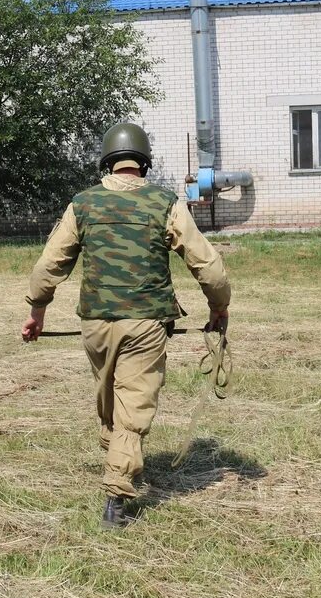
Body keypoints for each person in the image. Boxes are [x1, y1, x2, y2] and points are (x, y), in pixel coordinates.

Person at [21, 122, 231, 528]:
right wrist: (219, 307)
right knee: (132, 403)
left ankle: (119, 454)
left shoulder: (82, 204)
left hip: (96, 324)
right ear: (143, 162)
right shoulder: (165, 203)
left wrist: (37, 310)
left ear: (108, 160)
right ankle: (117, 497)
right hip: (146, 323)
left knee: (111, 398)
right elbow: (208, 265)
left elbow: (50, 264)